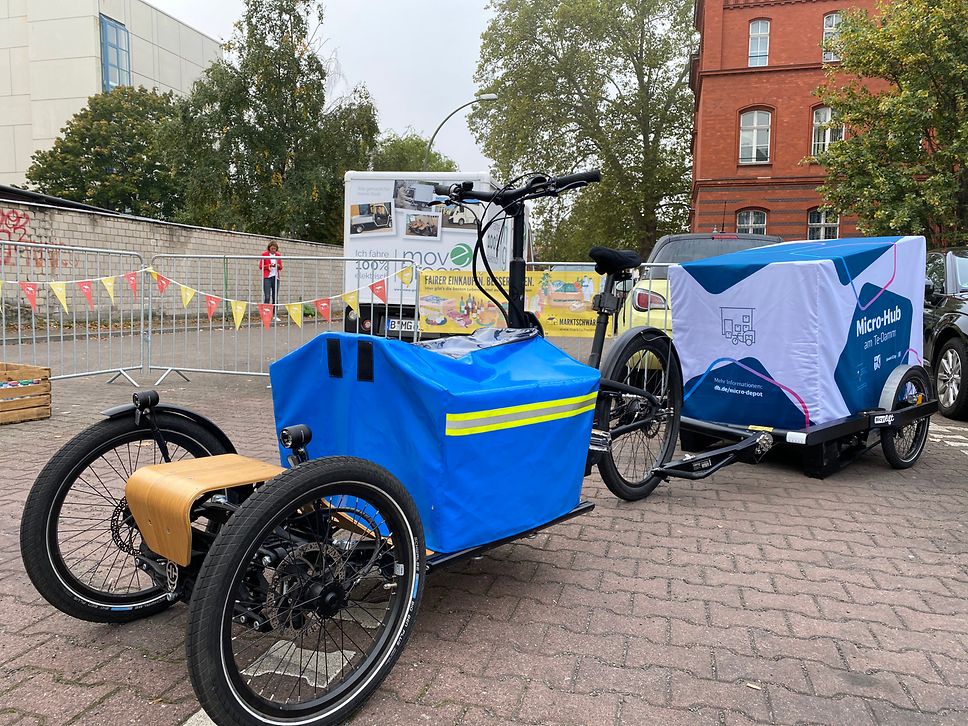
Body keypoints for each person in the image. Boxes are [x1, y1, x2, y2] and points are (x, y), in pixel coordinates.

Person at [260, 242, 282, 318]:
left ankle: (275, 315)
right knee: (267, 296)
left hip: (276, 277)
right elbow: (260, 266)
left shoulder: (278, 255)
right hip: (267, 277)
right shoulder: (264, 254)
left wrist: (278, 266)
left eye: (275, 249)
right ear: (269, 248)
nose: (273, 250)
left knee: (275, 297)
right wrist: (268, 265)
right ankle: (265, 315)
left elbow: (281, 267)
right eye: (272, 248)